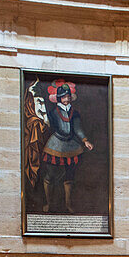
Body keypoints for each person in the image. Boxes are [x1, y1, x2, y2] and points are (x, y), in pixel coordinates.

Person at [40, 81, 93, 214]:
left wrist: (85, 140)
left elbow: (78, 128)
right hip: (55, 145)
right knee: (50, 175)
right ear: (59, 98)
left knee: (69, 176)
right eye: (63, 97)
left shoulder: (74, 113)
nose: (66, 99)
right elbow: (46, 127)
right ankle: (48, 203)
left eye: (68, 96)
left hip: (71, 145)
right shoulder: (52, 113)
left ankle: (68, 205)